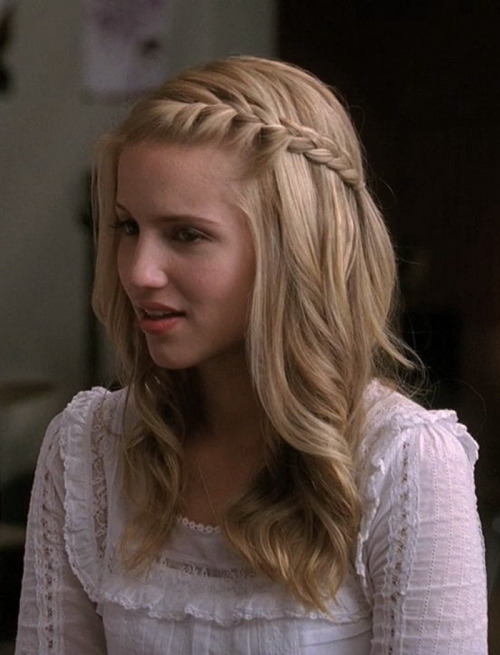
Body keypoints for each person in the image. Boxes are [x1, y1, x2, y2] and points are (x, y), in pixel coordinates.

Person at [15, 56, 487, 654]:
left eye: (187, 234)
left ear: (294, 249)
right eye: (128, 227)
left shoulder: (403, 464)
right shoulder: (87, 451)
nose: (138, 272)